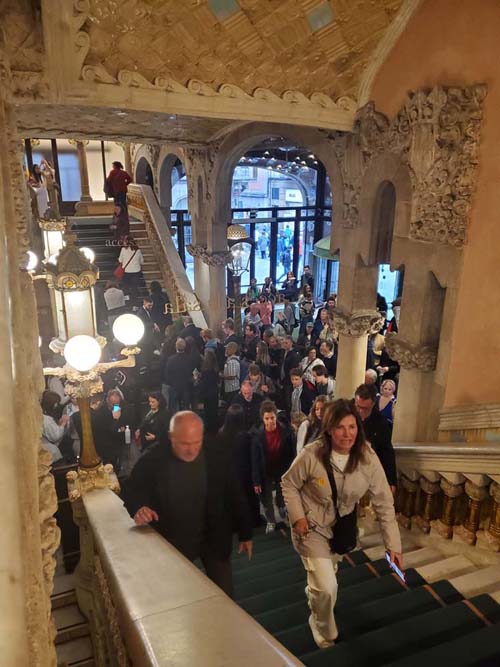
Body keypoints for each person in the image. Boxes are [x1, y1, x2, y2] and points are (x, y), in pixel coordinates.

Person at [281, 399, 402, 649]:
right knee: (327, 587)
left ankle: (316, 592)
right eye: (340, 427)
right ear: (328, 429)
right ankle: (323, 629)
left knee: (325, 581)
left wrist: (394, 546)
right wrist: (298, 517)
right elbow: (288, 483)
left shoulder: (367, 456)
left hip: (342, 528)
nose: (347, 434)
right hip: (311, 527)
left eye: (352, 426)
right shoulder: (312, 454)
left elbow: (383, 502)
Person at [123, 411, 253, 597]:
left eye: (196, 443)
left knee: (225, 596)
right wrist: (139, 507)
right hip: (173, 540)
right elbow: (132, 487)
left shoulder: (216, 452)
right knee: (176, 596)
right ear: (171, 437)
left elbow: (234, 491)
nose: (192, 450)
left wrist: (245, 532)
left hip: (213, 538)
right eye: (184, 444)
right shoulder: (154, 458)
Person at [251, 400, 296, 533]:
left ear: (276, 416)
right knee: (267, 499)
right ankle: (270, 520)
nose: (270, 421)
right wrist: (256, 481)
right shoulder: (257, 436)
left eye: (272, 418)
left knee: (282, 495)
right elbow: (255, 460)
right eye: (267, 418)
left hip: (282, 469)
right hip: (266, 471)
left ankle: (283, 512)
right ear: (262, 419)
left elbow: (292, 453)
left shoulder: (286, 432)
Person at [218, 404, 260, 526]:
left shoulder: (221, 434)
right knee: (248, 498)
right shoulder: (245, 436)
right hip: (244, 472)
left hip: (229, 473)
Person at [354, 384, 397, 491]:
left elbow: (386, 452)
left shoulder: (381, 423)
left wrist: (390, 480)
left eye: (365, 408)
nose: (360, 411)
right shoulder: (346, 413)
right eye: (358, 406)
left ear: (373, 404)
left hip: (366, 472)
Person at [93, 388, 134, 472]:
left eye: (117, 402)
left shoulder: (125, 408)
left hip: (122, 439)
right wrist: (115, 419)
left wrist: (123, 427)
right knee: (110, 467)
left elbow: (130, 421)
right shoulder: (102, 411)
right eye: (113, 402)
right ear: (108, 400)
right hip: (108, 445)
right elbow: (109, 430)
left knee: (124, 461)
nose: (115, 404)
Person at [161, 338, 194, 412]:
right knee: (186, 408)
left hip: (174, 387)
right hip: (186, 387)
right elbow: (191, 372)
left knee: (174, 409)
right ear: (184, 347)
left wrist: (171, 383)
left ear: (176, 347)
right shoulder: (189, 359)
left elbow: (167, 374)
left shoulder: (171, 359)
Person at [41, 390, 69, 464]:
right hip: (51, 453)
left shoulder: (43, 416)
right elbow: (55, 436)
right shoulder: (45, 419)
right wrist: (63, 423)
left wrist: (59, 425)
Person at [198, 349, 220, 434]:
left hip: (207, 394)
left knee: (207, 412)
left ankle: (209, 430)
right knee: (214, 411)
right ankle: (214, 429)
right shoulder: (215, 369)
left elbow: (203, 385)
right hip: (214, 393)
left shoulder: (205, 371)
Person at [118, 237, 143, 303]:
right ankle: (134, 302)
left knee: (126, 287)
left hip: (126, 271)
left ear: (126, 242)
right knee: (134, 287)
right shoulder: (138, 250)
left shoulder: (123, 250)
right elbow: (142, 261)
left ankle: (127, 300)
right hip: (136, 272)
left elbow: (120, 260)